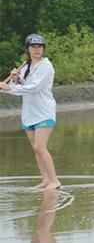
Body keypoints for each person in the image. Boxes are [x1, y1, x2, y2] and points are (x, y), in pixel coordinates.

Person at [1, 34, 60, 190]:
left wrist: (9, 87)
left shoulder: (46, 66)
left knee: (40, 147)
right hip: (29, 113)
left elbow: (35, 87)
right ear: (28, 49)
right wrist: (16, 80)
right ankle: (46, 180)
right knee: (36, 149)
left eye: (39, 47)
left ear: (43, 49)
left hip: (44, 111)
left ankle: (55, 181)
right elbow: (24, 88)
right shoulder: (26, 67)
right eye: (33, 47)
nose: (36, 50)